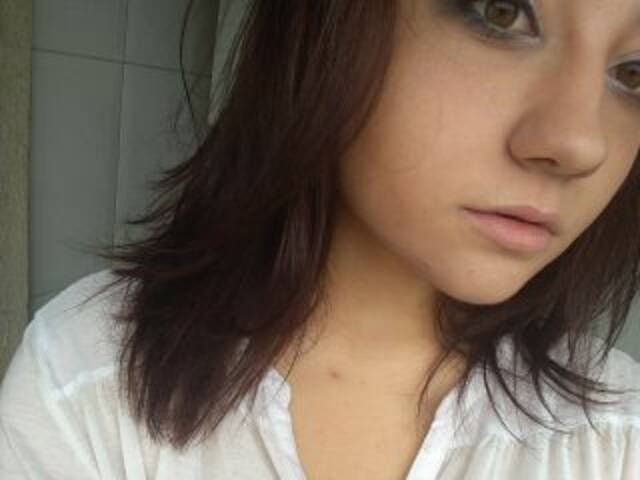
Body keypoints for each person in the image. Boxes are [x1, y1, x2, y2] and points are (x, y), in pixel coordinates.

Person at [2, 0, 640, 478]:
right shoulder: (88, 381)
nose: (579, 143)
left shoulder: (618, 432)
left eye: (634, 73)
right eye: (500, 12)